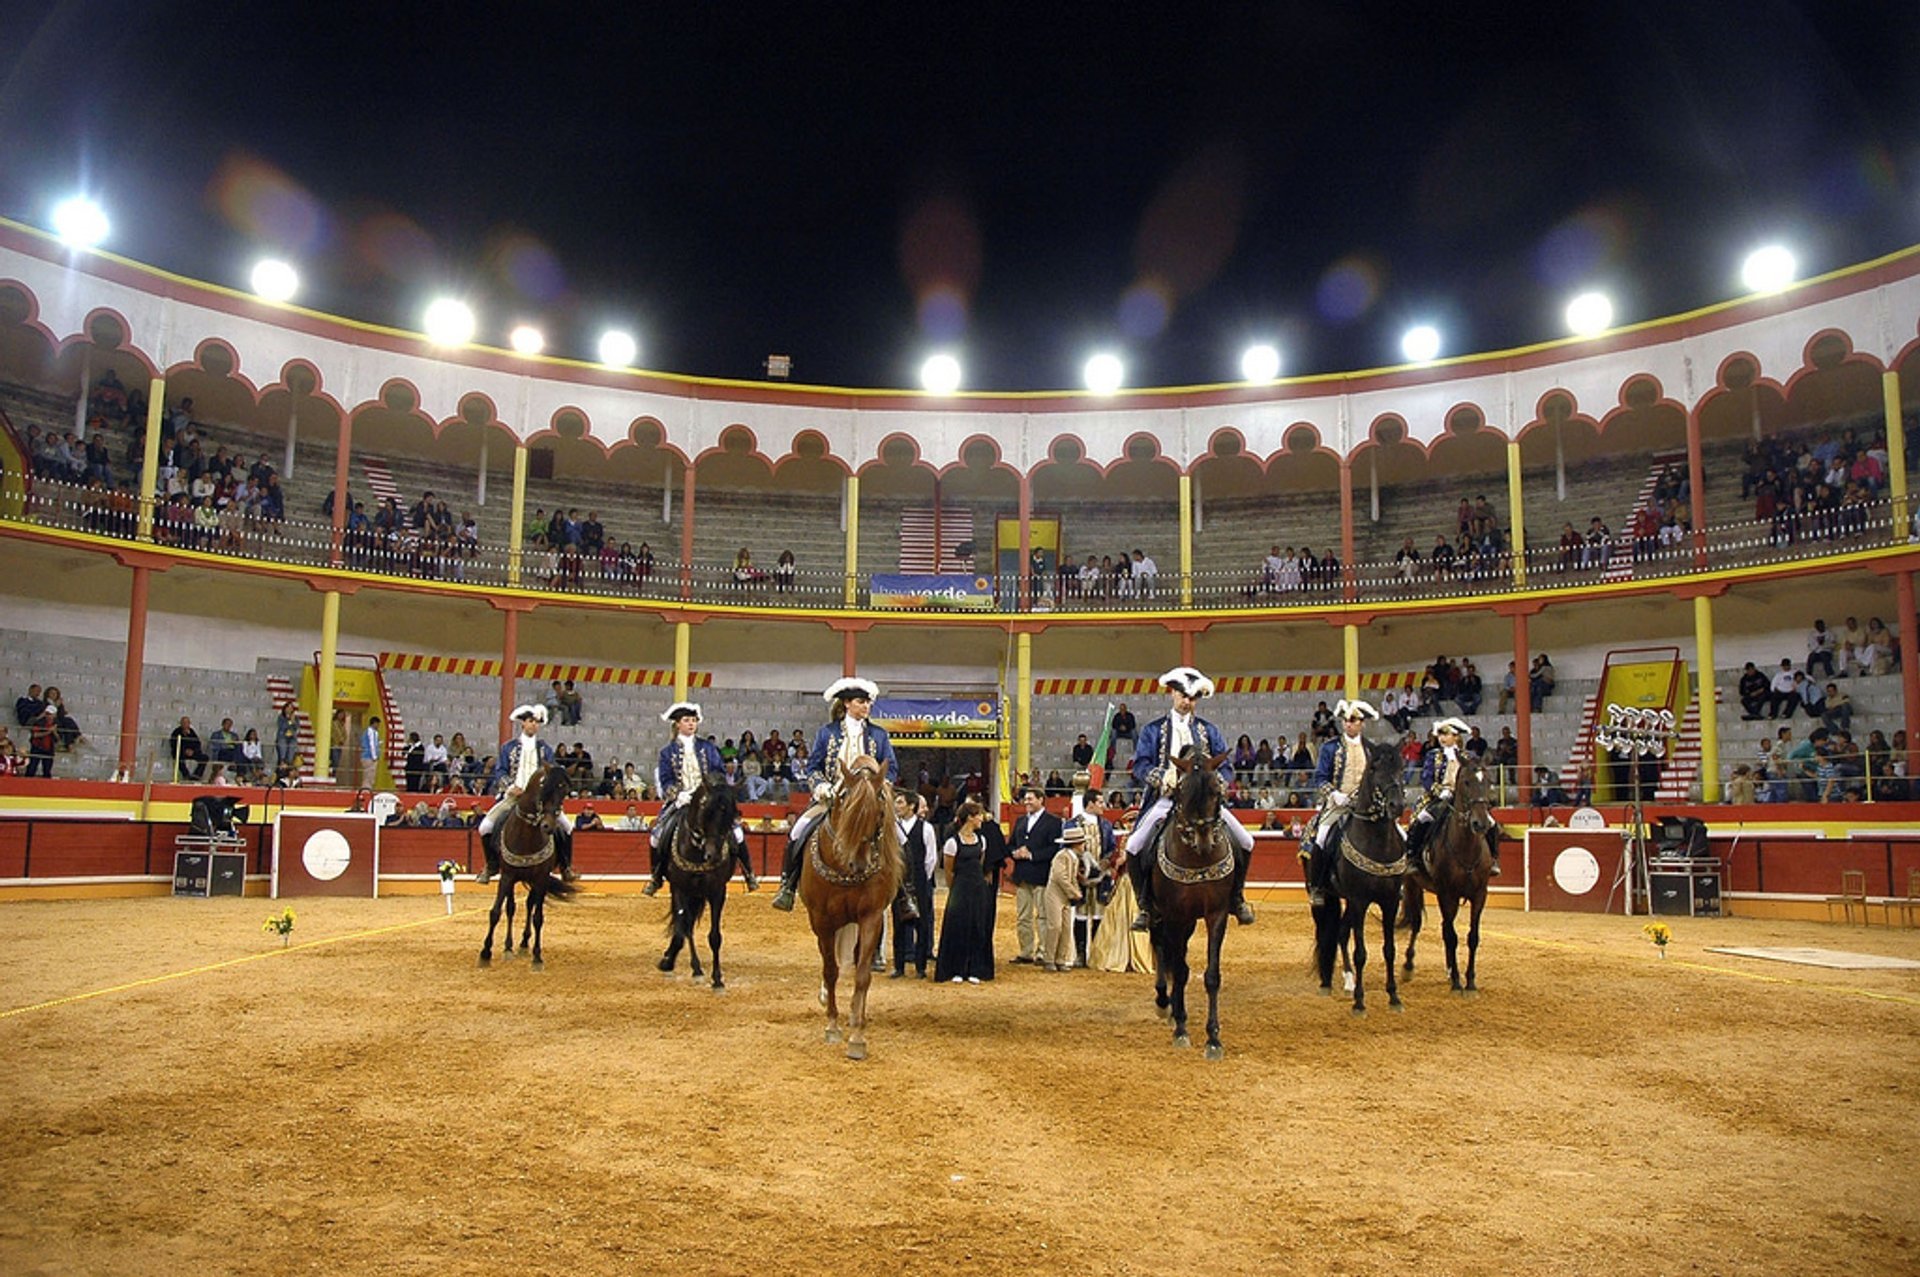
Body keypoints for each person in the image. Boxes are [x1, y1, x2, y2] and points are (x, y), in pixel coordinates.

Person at [1121, 666, 1256, 931]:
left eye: (1193, 698)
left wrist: (1219, 781)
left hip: (1202, 803)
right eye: (1183, 695)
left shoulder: (1209, 730)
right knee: (1134, 845)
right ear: (1172, 693)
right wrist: (1160, 777)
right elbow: (1139, 766)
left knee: (1246, 841)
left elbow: (1226, 767)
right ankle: (1145, 905)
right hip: (1165, 800)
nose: (1187, 702)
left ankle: (1237, 898)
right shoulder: (1153, 730)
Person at [769, 677, 915, 923]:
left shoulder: (879, 734)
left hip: (869, 800)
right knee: (798, 831)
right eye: (861, 702)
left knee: (902, 839)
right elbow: (814, 766)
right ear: (847, 704)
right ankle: (788, 886)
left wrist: (881, 787)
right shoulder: (828, 733)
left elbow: (891, 768)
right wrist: (822, 787)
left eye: (868, 702)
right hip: (832, 798)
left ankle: (905, 895)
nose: (866, 706)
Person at [644, 701, 755, 896]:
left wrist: (711, 791)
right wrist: (677, 795)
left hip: (709, 801)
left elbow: (719, 772)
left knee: (737, 833)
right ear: (677, 724)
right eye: (686, 720)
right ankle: (656, 876)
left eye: (694, 720)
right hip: (681, 801)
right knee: (657, 835)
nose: (691, 724)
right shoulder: (667, 752)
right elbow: (666, 779)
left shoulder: (708, 748)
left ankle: (749, 873)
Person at [475, 704, 575, 884]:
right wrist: (510, 787)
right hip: (514, 797)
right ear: (523, 724)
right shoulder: (508, 747)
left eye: (536, 722)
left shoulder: (545, 749)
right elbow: (500, 771)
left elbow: (552, 774)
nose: (533, 725)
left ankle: (566, 867)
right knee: (485, 827)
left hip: (541, 801)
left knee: (567, 827)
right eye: (530, 721)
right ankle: (491, 865)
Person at [1299, 699, 1380, 906]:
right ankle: (1317, 886)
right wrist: (1334, 794)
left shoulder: (1371, 749)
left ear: (1362, 723)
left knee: (1396, 833)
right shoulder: (1330, 747)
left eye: (1353, 720)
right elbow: (1320, 778)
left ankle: (1395, 882)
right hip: (1337, 804)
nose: (1348, 724)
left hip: (1366, 805)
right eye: (1345, 720)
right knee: (1321, 837)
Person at [1404, 718, 1500, 877]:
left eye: (1446, 734)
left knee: (1490, 823)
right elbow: (1426, 778)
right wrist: (1439, 790)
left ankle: (1493, 859)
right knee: (1420, 820)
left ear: (1456, 736)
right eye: (1440, 734)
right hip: (1439, 798)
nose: (1442, 738)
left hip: (1465, 799)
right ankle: (1413, 859)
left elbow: (1477, 777)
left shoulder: (1468, 756)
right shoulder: (1433, 755)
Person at [933, 801, 995, 983]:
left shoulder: (981, 840)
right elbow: (949, 871)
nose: (981, 818)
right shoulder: (952, 843)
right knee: (959, 928)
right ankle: (957, 969)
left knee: (978, 927)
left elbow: (980, 864)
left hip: (978, 889)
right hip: (960, 889)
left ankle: (975, 968)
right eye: (978, 815)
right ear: (970, 818)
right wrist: (956, 890)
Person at [1007, 785, 1063, 963]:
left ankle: (1043, 952)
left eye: (1030, 799)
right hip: (1022, 875)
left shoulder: (1053, 822)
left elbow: (1055, 849)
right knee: (1023, 916)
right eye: (1026, 799)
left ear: (1041, 800)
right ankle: (1026, 952)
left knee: (1043, 916)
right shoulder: (1021, 821)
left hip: (1041, 875)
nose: (1026, 802)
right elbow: (1011, 844)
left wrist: (1031, 855)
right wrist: (1015, 852)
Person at [890, 791, 938, 978]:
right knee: (898, 923)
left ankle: (920, 966)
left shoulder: (925, 828)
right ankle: (899, 965)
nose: (897, 806)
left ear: (911, 806)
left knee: (922, 923)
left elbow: (931, 858)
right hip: (899, 881)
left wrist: (921, 879)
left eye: (900, 802)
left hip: (919, 880)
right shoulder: (893, 828)